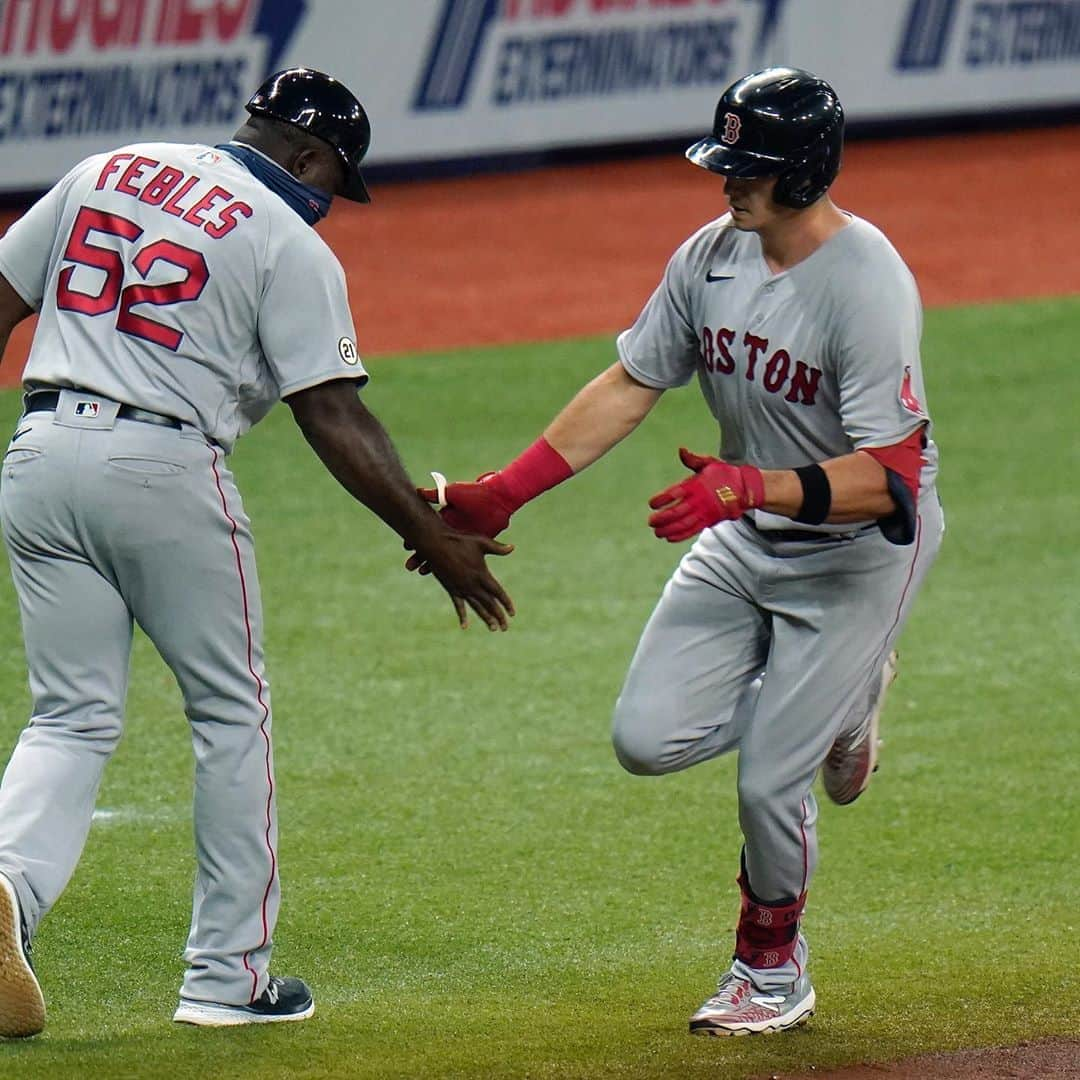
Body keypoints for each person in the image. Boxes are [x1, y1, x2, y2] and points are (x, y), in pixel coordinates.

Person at [415, 67, 943, 1036]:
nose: (728, 183)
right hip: (745, 533)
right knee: (646, 739)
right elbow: (631, 380)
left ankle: (771, 969)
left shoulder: (868, 283)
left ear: (804, 169)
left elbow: (893, 478)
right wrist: (501, 490)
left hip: (855, 552)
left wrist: (755, 486)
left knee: (768, 779)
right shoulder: (710, 256)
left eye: (749, 167)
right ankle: (837, 704)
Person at [0, 66, 514, 1037]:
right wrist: (431, 536)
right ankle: (227, 981)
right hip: (161, 467)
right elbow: (331, 413)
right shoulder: (285, 237)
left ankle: (7, 888)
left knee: (70, 711)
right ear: (312, 159)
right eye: (334, 184)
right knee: (231, 714)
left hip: (38, 452)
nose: (330, 206)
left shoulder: (108, 168)